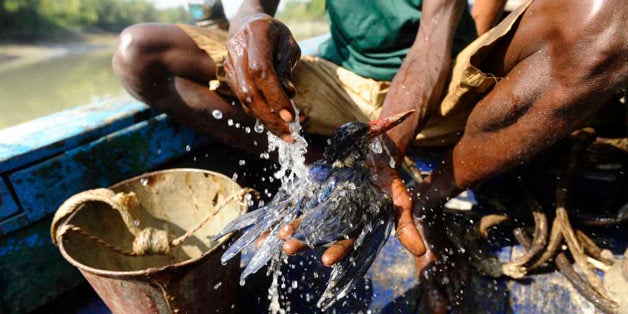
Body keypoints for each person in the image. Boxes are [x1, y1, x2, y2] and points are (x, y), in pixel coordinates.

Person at [112, 0, 627, 311]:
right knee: (140, 54)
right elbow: (249, 5)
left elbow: (429, 50)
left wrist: (378, 151)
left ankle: (427, 199)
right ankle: (326, 167)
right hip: (344, 88)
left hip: (448, 86)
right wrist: (253, 23)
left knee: (612, 22)